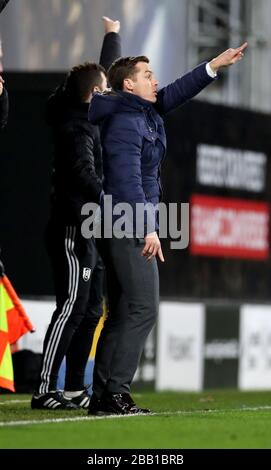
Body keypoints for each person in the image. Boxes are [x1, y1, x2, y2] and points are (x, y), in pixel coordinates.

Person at [87, 43, 248, 415]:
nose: (155, 80)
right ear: (128, 84)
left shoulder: (140, 110)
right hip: (125, 220)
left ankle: (104, 395)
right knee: (143, 308)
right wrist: (148, 228)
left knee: (125, 309)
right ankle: (116, 393)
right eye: (147, 75)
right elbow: (127, 182)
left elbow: (178, 89)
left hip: (120, 219)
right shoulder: (127, 121)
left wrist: (214, 65)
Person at [31, 17, 121, 410]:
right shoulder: (75, 128)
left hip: (90, 228)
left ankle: (71, 388)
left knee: (90, 309)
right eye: (104, 90)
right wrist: (110, 203)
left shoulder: (82, 108)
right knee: (71, 306)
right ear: (93, 95)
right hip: (73, 229)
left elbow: (99, 81)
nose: (110, 94)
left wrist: (111, 38)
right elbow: (85, 174)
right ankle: (44, 389)